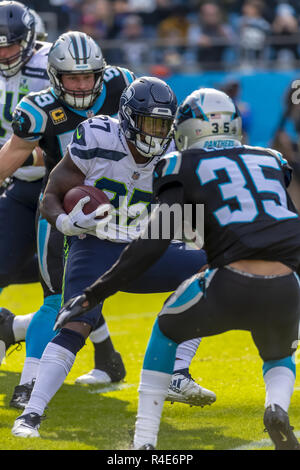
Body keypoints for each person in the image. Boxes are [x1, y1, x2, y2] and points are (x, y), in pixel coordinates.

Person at [54, 87, 300, 450]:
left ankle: (144, 441)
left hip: (230, 279)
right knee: (278, 351)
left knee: (167, 330)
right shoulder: (272, 159)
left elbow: (151, 245)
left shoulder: (180, 165)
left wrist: (94, 294)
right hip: (287, 280)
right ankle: (276, 405)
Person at [11, 77, 217, 438]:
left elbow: (192, 212)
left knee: (210, 269)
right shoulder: (98, 136)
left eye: (164, 123)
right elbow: (51, 195)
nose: (158, 132)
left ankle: (178, 373)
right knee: (76, 324)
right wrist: (66, 223)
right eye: (150, 122)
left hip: (146, 245)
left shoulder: (174, 152)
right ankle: (30, 414)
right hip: (95, 244)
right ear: (127, 118)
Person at [0, 30, 136, 409]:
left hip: (122, 211)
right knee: (57, 297)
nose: (81, 84)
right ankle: (29, 384)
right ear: (55, 77)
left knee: (96, 295)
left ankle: (172, 372)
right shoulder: (38, 108)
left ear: (101, 72)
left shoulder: (123, 85)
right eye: (72, 77)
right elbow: (9, 158)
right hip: (60, 208)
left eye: (88, 76)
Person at [0, 1, 50, 354]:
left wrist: (23, 157)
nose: (4, 55)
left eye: (10, 45)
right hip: (19, 183)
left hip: (62, 184)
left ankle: (14, 334)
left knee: (64, 281)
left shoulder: (54, 65)